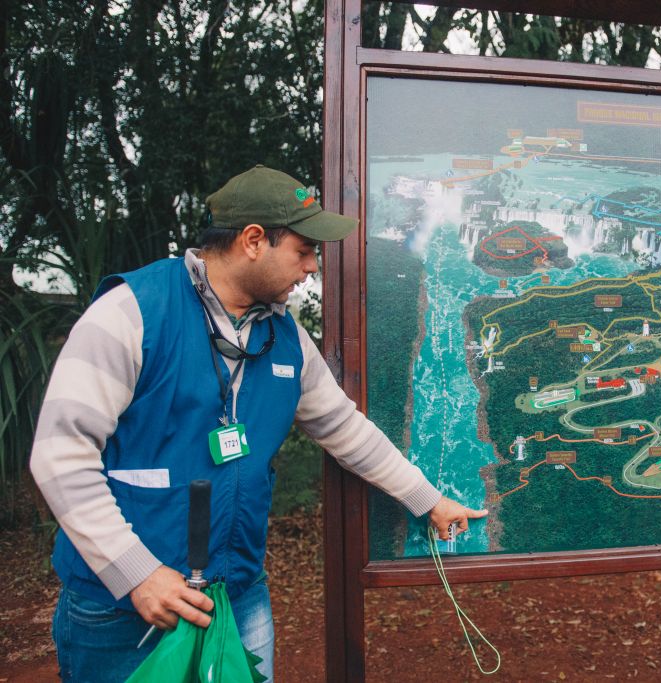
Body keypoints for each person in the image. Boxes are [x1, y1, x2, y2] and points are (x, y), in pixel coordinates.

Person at [29, 165, 486, 682]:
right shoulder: (130, 312)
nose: (312, 267)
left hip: (238, 595)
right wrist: (137, 573)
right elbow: (60, 454)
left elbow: (346, 430)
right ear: (252, 241)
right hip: (123, 609)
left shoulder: (285, 336)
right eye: (303, 250)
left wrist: (428, 500)